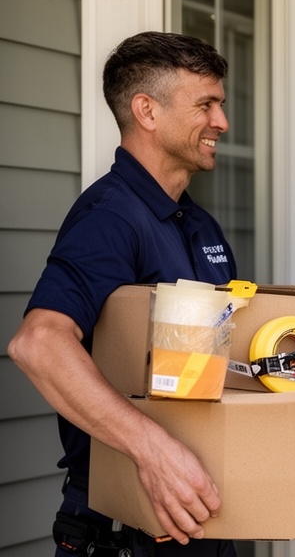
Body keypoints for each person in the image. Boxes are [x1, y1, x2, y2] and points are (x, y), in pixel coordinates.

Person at [8, 31, 237, 556]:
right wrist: (153, 450)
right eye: (206, 104)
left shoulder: (199, 224)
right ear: (147, 111)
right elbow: (39, 343)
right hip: (123, 529)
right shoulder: (110, 217)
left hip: (196, 517)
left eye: (220, 105)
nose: (221, 122)